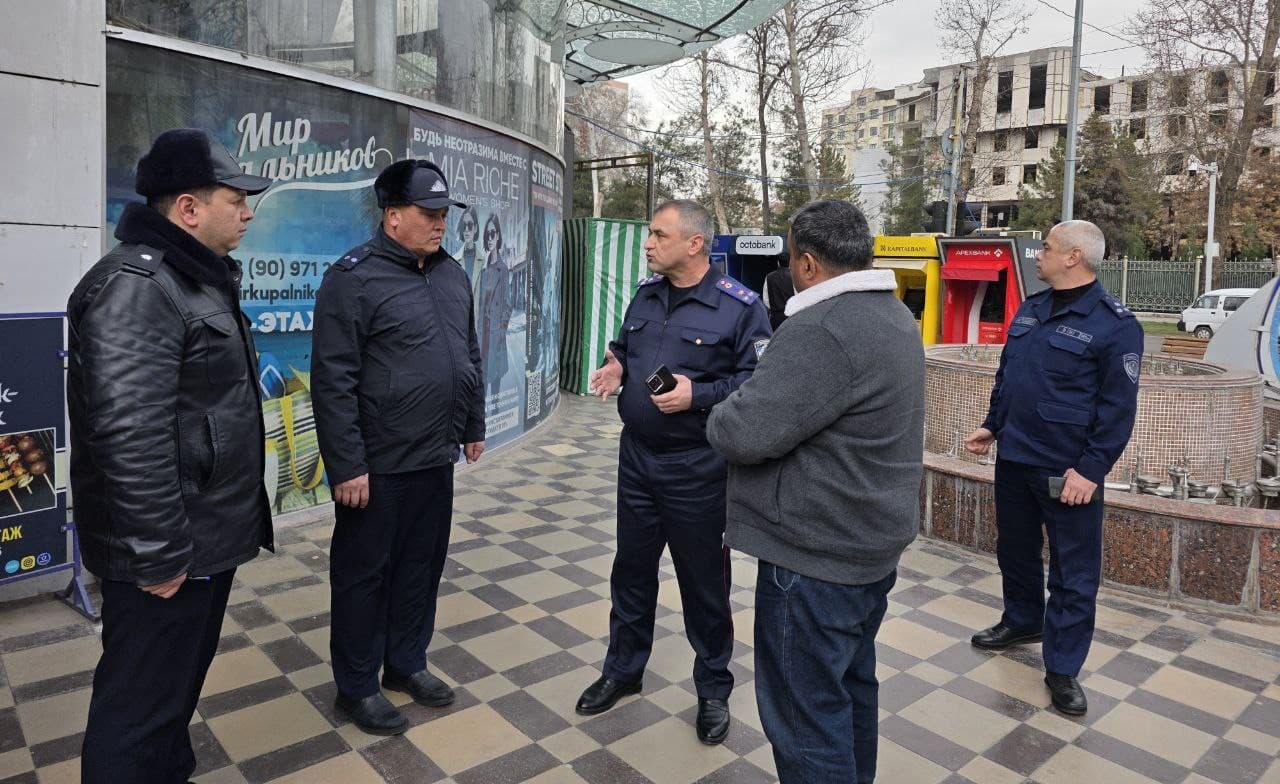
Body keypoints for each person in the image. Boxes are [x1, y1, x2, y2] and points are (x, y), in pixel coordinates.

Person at [68, 128, 275, 783]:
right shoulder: (138, 286)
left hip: (199, 543)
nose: (248, 211)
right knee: (137, 712)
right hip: (167, 554)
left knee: (170, 700)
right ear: (188, 209)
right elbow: (127, 433)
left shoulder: (196, 281)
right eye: (236, 198)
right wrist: (157, 553)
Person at [706, 200, 923, 783]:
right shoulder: (892, 314)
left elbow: (743, 431)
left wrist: (721, 405)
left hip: (815, 559)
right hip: (864, 546)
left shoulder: (824, 329)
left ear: (804, 263)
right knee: (849, 695)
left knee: (805, 720)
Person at [576, 200, 771, 744]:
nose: (648, 243)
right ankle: (622, 670)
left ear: (694, 243)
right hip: (636, 460)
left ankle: (713, 689)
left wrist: (698, 395)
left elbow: (759, 383)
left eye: (659, 234)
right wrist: (616, 367)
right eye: (648, 235)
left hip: (699, 468)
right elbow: (625, 349)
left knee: (704, 584)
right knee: (630, 571)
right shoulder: (646, 294)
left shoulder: (740, 307)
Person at [311, 158, 485, 735]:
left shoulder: (452, 273)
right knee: (364, 575)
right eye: (428, 213)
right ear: (392, 217)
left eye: (443, 214)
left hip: (435, 456)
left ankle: (406, 664)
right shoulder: (352, 279)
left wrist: (473, 424)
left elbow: (469, 354)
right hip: (376, 466)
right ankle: (356, 686)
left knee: (420, 567)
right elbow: (332, 380)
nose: (440, 224)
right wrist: (348, 465)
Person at [965, 219, 1143, 716]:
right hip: (1016, 458)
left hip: (1068, 472)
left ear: (1073, 257)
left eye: (1046, 247)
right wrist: (991, 425)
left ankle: (1062, 667)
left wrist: (1091, 470)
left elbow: (1117, 409)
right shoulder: (1033, 307)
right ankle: (1023, 620)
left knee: (1072, 571)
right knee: (1015, 551)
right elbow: (1011, 376)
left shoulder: (1114, 324)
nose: (1037, 254)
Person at [479, 213, 513, 400]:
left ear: (498, 236)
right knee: (482, 376)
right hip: (482, 333)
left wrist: (502, 329)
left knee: (495, 379)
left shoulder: (502, 269)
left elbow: (508, 304)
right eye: (487, 234)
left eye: (493, 233)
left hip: (495, 334)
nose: (490, 238)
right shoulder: (483, 267)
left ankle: (496, 408)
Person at [762, 265, 794, 330]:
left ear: (778, 263)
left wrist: (773, 310)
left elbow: (765, 300)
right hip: (792, 315)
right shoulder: (794, 276)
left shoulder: (769, 276)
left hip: (775, 317)